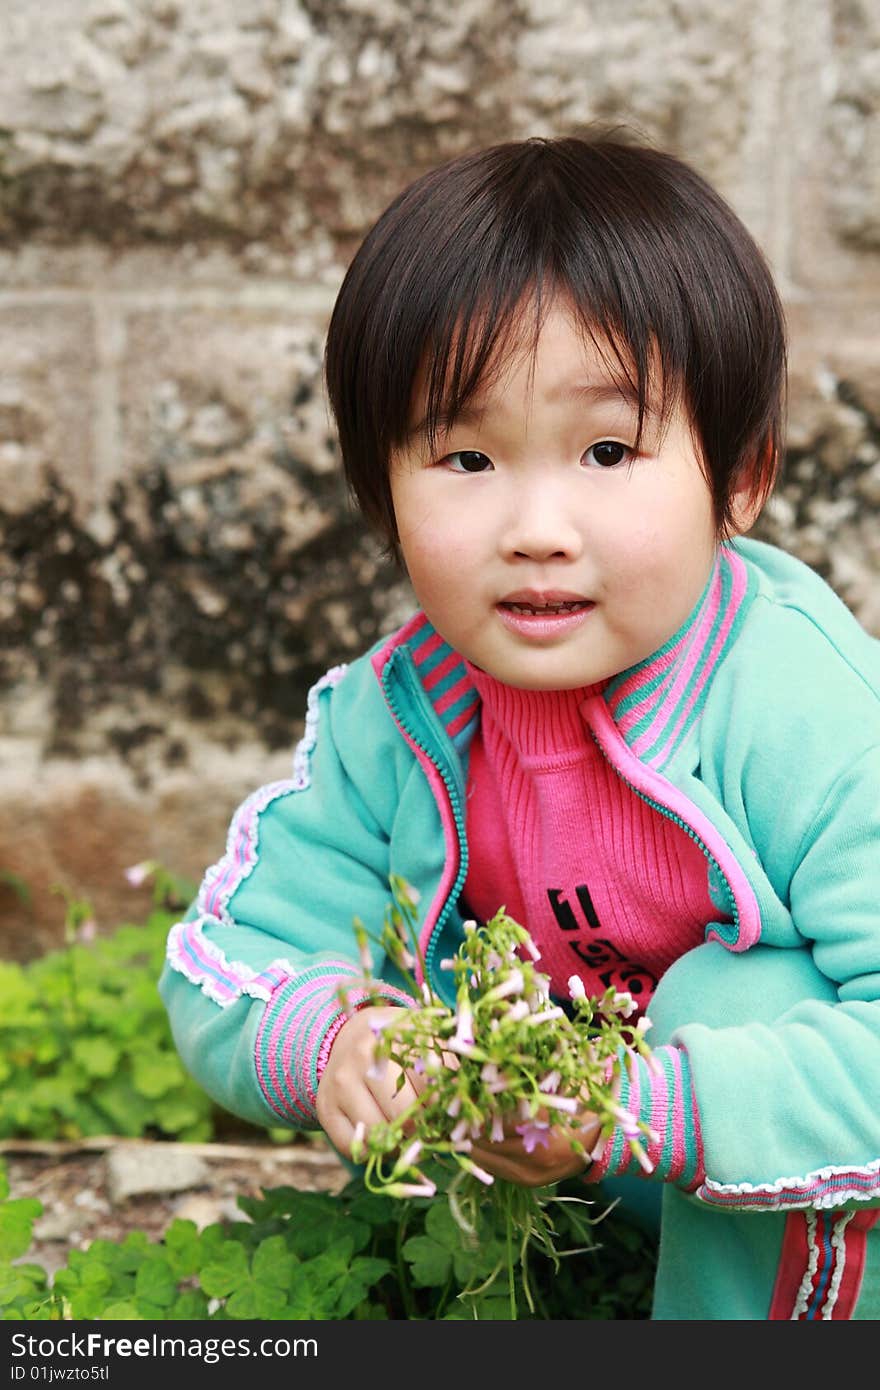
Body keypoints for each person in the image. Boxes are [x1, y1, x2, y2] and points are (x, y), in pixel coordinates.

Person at [159, 131, 880, 1320]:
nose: (535, 526)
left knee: (736, 996)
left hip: (782, 1154)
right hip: (557, 1174)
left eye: (606, 449)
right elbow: (224, 954)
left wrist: (648, 1103)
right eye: (465, 454)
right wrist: (331, 1038)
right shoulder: (400, 716)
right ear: (377, 482)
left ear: (741, 475)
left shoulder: (802, 713)